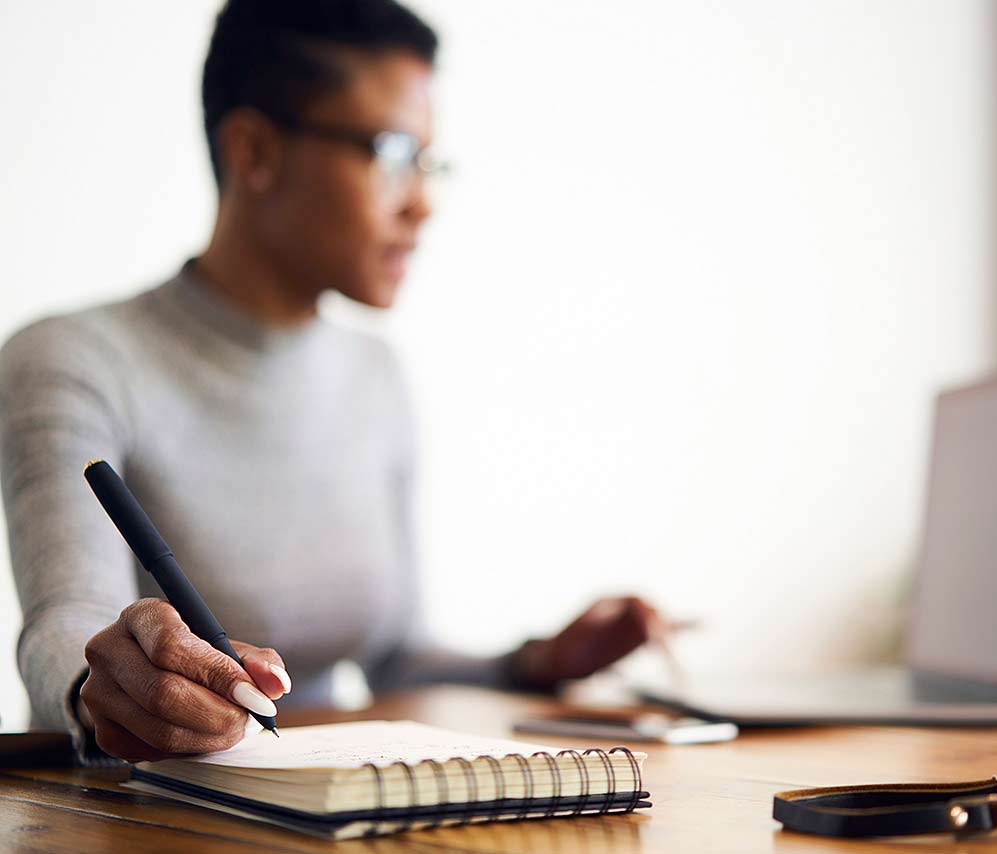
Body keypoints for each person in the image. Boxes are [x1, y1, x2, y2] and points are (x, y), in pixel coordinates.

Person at [0, 0, 661, 763]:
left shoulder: (375, 374)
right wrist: (103, 685)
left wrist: (535, 663)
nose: (422, 201)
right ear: (254, 151)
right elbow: (64, 626)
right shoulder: (76, 359)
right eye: (391, 153)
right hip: (143, 810)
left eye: (427, 160)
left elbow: (398, 658)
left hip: (327, 800)